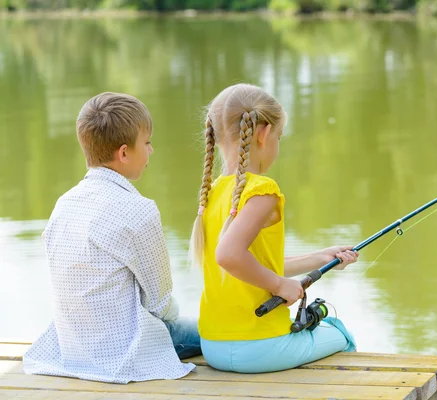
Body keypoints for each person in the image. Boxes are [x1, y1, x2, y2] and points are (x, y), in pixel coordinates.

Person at [23, 92, 201, 384]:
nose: (151, 151)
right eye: (147, 143)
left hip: (72, 345)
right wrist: (175, 314)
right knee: (214, 330)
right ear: (124, 153)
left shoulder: (63, 204)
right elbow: (160, 303)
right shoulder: (139, 211)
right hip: (123, 350)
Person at [190, 83, 358, 374]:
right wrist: (280, 285)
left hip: (213, 345)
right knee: (340, 331)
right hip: (262, 347)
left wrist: (322, 257)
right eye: (279, 136)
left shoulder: (212, 192)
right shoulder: (262, 191)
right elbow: (228, 255)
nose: (278, 143)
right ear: (264, 133)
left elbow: (250, 266)